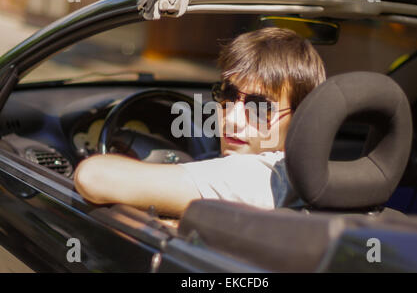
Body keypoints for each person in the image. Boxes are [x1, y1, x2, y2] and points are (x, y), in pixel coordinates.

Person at [74, 27, 326, 217]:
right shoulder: (296, 175)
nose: (232, 120)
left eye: (259, 107)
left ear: (301, 118)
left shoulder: (261, 175)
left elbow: (92, 177)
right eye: (227, 95)